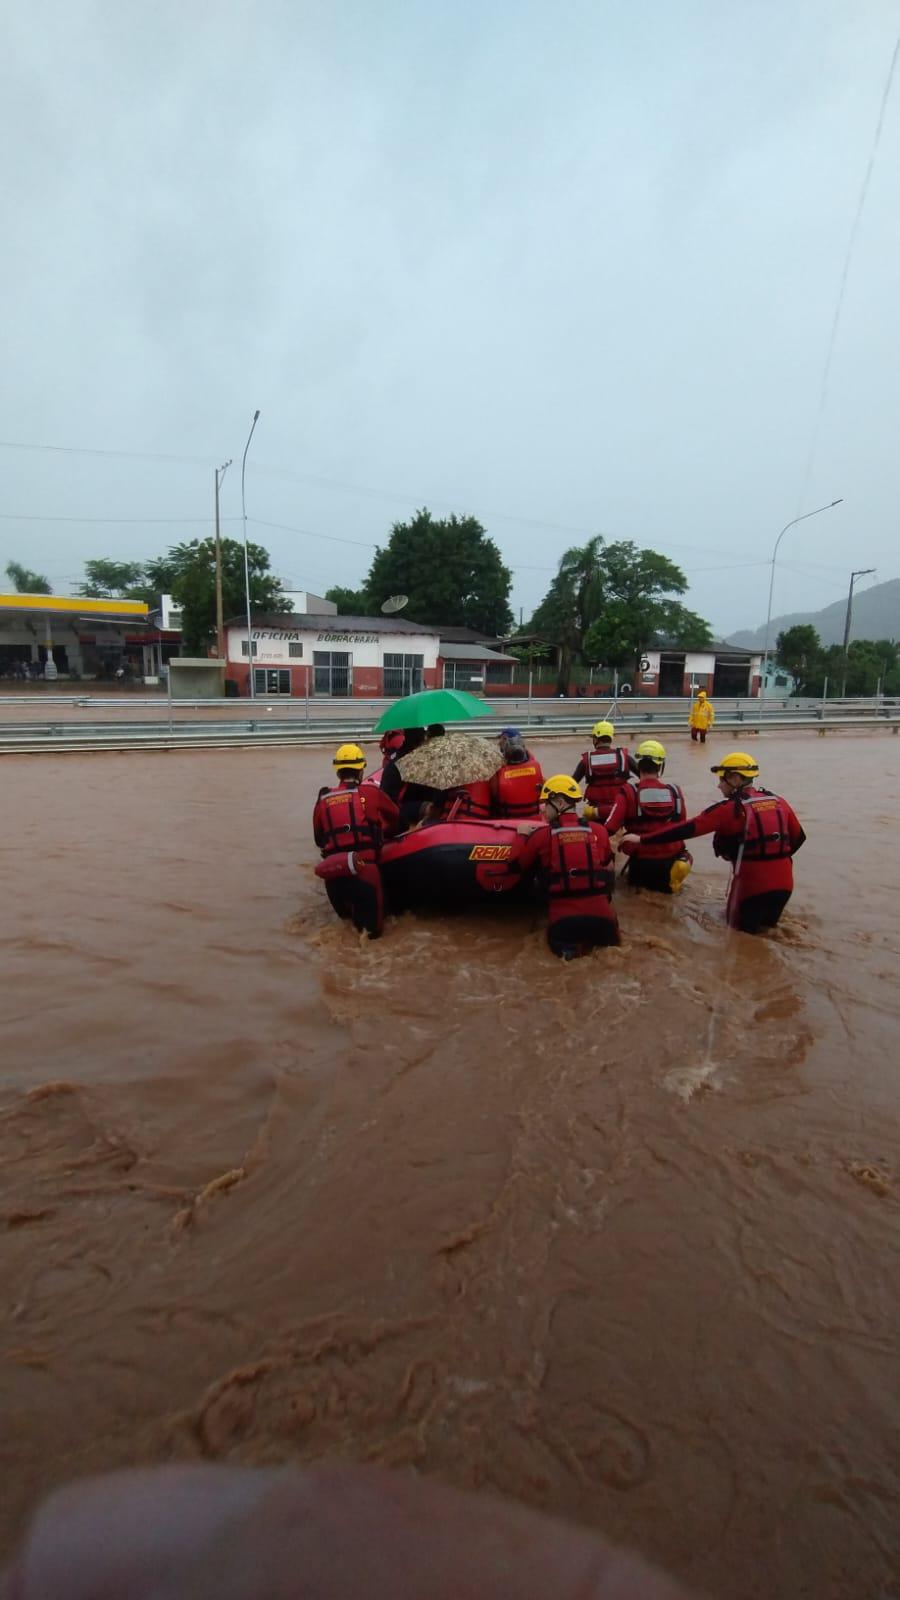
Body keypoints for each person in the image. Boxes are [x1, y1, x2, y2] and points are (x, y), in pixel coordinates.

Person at [621, 751, 806, 933]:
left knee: (737, 940)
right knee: (767, 935)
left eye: (721, 780)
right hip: (784, 885)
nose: (718, 786)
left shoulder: (729, 810)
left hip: (751, 886)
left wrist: (642, 839)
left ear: (734, 778)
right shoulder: (779, 801)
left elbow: (688, 828)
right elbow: (798, 839)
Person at [512, 775, 619, 959]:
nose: (543, 809)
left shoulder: (541, 836)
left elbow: (515, 866)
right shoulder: (600, 831)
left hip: (564, 924)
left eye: (546, 804)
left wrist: (521, 835)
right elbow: (609, 867)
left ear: (560, 803)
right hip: (604, 922)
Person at [312, 744, 399, 938]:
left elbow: (319, 839)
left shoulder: (323, 798)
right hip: (365, 873)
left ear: (337, 771)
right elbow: (397, 820)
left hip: (333, 877)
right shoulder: (371, 793)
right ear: (361, 770)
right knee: (372, 940)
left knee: (345, 935)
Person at [603, 740, 692, 894]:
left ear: (638, 765)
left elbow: (609, 828)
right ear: (661, 766)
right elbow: (681, 825)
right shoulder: (675, 792)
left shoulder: (628, 791)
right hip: (670, 861)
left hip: (641, 862)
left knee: (638, 902)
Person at [572, 721, 637, 814]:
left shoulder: (587, 760)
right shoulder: (623, 757)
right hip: (620, 812)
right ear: (611, 738)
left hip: (596, 812)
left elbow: (572, 783)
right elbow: (643, 775)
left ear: (595, 739)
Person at [489, 736, 545, 817]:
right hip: (533, 813)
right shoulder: (535, 767)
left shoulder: (499, 772)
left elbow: (493, 796)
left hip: (507, 815)